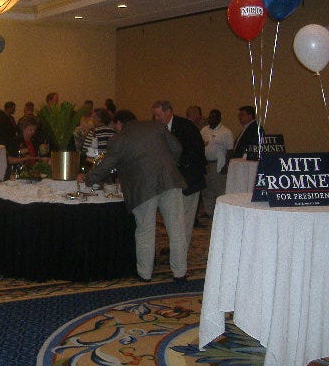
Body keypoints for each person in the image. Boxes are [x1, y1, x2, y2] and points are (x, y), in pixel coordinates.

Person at [77, 110, 188, 283]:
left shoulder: (119, 138)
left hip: (142, 187)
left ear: (120, 123)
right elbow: (177, 148)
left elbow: (107, 164)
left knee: (145, 231)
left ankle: (145, 275)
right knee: (177, 230)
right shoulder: (157, 127)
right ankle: (180, 274)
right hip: (170, 181)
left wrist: (89, 179)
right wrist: (167, 165)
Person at [152, 100, 206, 252]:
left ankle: (181, 250)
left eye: (158, 115)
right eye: (154, 115)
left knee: (185, 220)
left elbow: (194, 153)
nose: (156, 118)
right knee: (173, 219)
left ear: (169, 112)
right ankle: (176, 246)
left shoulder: (186, 127)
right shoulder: (157, 129)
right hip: (171, 183)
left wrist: (173, 164)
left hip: (189, 181)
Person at [200, 109, 233, 216]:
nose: (210, 119)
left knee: (220, 190)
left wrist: (226, 165)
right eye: (209, 117)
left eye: (213, 117)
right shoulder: (204, 130)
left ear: (219, 118)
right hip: (206, 164)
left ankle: (221, 214)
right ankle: (209, 212)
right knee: (206, 190)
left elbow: (230, 150)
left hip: (218, 164)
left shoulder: (226, 132)